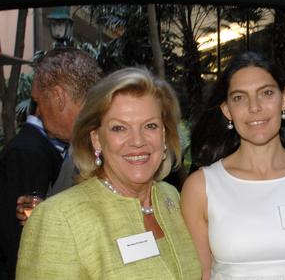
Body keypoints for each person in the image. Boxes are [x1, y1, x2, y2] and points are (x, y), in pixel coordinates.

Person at [15, 67, 201, 279]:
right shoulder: (59, 219)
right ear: (96, 139)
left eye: (150, 126)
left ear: (164, 134)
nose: (138, 141)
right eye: (119, 128)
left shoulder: (172, 199)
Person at [181, 52, 285, 280]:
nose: (254, 107)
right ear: (226, 110)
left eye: (266, 93)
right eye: (239, 98)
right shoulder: (200, 187)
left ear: (284, 98)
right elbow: (200, 274)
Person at [0, 47, 101, 278]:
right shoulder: (80, 145)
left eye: (38, 101)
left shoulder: (110, 144)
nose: (38, 113)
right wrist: (45, 213)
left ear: (58, 96)